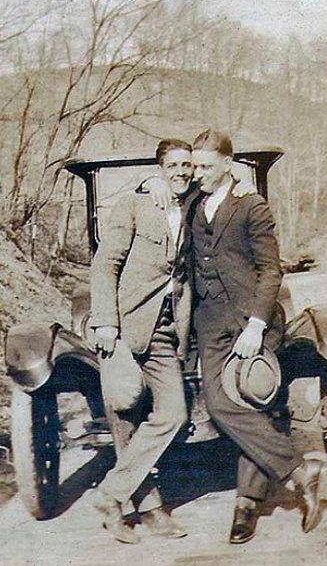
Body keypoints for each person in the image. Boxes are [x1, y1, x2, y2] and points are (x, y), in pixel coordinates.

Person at [183, 128, 323, 544]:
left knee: (253, 401)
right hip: (209, 323)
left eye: (206, 167)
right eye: (195, 166)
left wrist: (257, 326)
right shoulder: (191, 202)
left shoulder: (252, 207)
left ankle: (246, 505)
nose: (199, 174)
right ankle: (300, 470)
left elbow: (270, 270)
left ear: (228, 164)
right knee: (219, 404)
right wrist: (153, 183)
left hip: (251, 321)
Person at [90, 138, 194, 544]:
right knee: (126, 411)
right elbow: (106, 264)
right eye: (174, 165)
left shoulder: (190, 211)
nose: (182, 171)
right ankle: (151, 509)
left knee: (174, 413)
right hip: (126, 328)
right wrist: (105, 323)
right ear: (160, 168)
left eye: (187, 165)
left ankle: (111, 495)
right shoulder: (134, 205)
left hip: (167, 332)